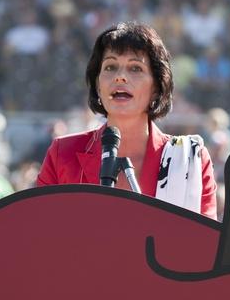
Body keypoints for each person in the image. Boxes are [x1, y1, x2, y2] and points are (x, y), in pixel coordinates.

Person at [36, 21, 217, 219]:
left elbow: (204, 246)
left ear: (156, 87)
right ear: (98, 85)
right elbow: (40, 237)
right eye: (110, 67)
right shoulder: (62, 154)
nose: (120, 77)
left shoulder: (189, 161)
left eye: (135, 68)